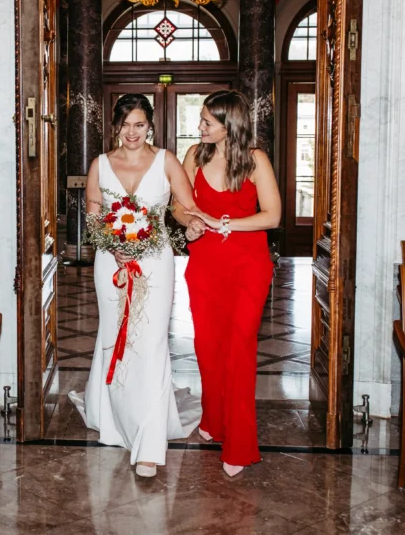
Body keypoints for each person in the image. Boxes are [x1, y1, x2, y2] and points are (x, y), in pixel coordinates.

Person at [69, 93, 202, 478]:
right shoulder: (100, 165)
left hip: (155, 261)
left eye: (140, 125)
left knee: (151, 341)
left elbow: (181, 206)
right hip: (112, 263)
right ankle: (114, 417)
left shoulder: (166, 161)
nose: (132, 132)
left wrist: (190, 223)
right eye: (126, 124)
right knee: (115, 336)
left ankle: (148, 442)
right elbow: (94, 219)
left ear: (151, 126)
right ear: (116, 126)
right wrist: (115, 247)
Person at [181, 90, 280, 478]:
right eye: (202, 119)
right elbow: (179, 203)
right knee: (208, 347)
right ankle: (214, 419)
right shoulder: (194, 155)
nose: (200, 126)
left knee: (239, 349)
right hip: (205, 265)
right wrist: (189, 222)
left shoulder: (255, 160)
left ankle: (238, 444)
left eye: (207, 121)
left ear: (229, 126)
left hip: (247, 266)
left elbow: (272, 217)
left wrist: (223, 223)